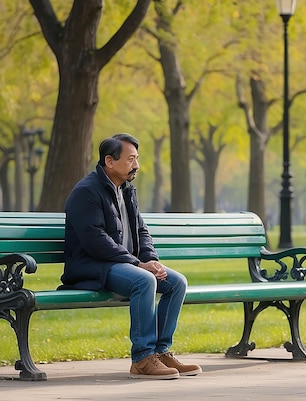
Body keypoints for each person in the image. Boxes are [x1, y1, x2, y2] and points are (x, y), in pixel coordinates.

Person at [61, 133, 202, 380]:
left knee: (176, 282)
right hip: (93, 267)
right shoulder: (86, 192)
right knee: (143, 280)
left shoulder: (126, 190)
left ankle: (161, 352)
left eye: (137, 158)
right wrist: (138, 264)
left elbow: (141, 231)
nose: (136, 165)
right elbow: (96, 242)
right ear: (109, 161)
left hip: (123, 264)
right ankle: (142, 358)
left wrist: (152, 260)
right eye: (131, 159)